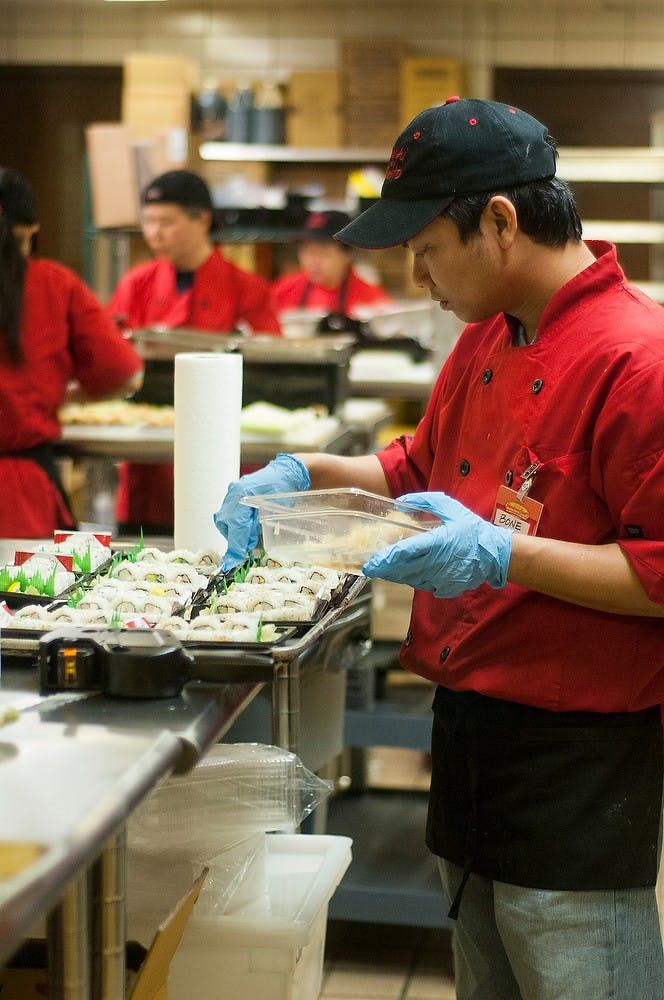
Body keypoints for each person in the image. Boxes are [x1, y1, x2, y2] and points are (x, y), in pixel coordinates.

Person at [214, 97, 664, 999]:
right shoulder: (487, 338)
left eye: (427, 251)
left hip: (577, 760)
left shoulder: (638, 361)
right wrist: (311, 476)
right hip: (468, 737)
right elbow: (417, 462)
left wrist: (501, 555)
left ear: (499, 222)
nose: (419, 277)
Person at [108, 169, 281, 534]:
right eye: (148, 221)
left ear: (202, 218)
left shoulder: (246, 288)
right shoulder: (135, 285)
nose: (154, 232)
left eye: (166, 221)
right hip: (149, 468)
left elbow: (270, 373)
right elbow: (111, 360)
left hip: (225, 462)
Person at [0, 167, 143, 538]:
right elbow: (127, 374)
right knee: (28, 597)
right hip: (19, 496)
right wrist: (63, 395)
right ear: (30, 229)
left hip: (21, 489)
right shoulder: (52, 283)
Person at [270, 209, 393, 326]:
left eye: (323, 253)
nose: (312, 261)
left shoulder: (371, 300)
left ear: (348, 254)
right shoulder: (283, 291)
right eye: (307, 251)